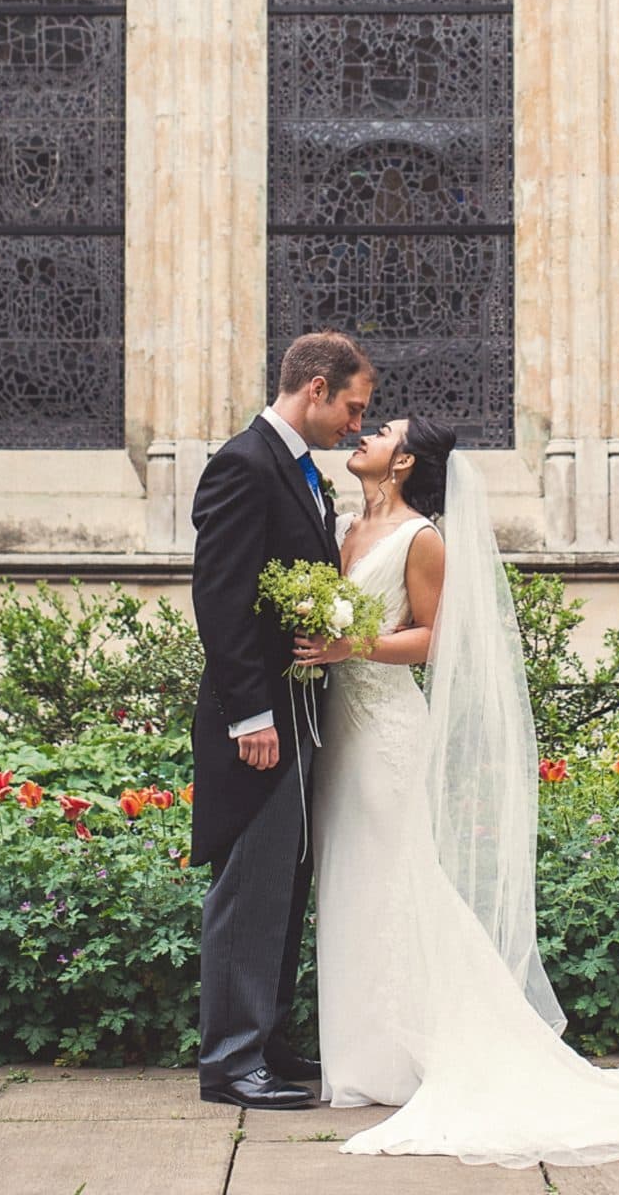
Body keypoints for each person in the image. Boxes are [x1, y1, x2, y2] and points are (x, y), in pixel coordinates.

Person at [294, 414, 619, 1169]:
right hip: (340, 733)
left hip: (385, 730)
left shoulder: (421, 539)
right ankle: (366, 1056)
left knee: (398, 879)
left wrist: (352, 644)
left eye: (378, 431)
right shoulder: (346, 522)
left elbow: (434, 636)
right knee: (353, 881)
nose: (363, 436)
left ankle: (422, 1050)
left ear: (405, 459)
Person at [190, 330, 374, 1110]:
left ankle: (263, 1039)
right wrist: (249, 716)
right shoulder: (242, 463)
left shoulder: (301, 472)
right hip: (258, 719)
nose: (356, 426)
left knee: (284, 885)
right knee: (250, 886)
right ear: (316, 388)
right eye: (352, 408)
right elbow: (221, 599)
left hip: (298, 711)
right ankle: (230, 1064)